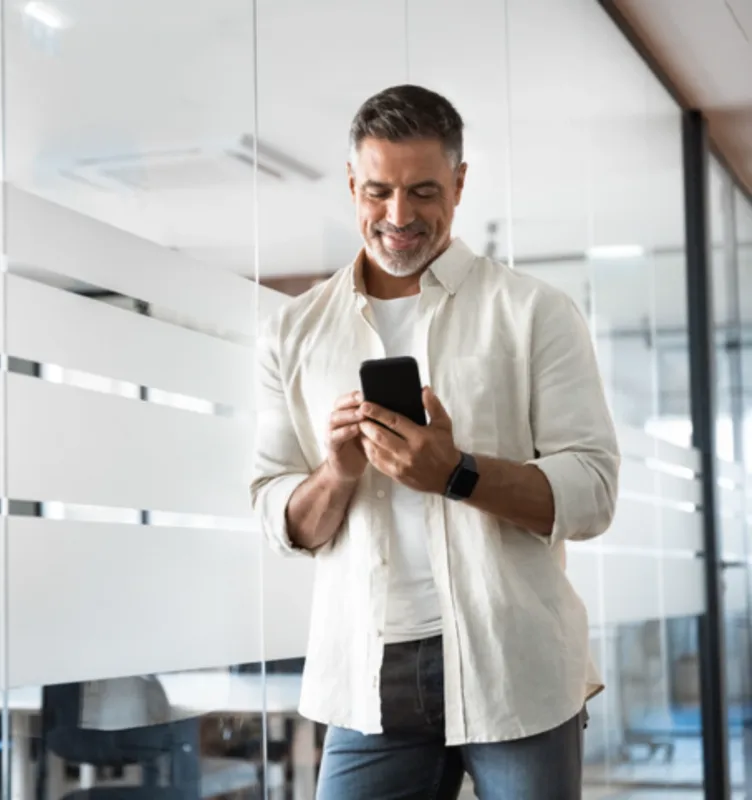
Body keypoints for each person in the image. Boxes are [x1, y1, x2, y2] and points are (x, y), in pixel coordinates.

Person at [250, 84, 620, 800]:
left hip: (514, 661)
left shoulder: (535, 313)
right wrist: (336, 473)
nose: (398, 216)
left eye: (423, 190)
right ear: (352, 185)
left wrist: (457, 474)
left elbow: (594, 491)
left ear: (459, 182)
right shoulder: (291, 333)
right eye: (378, 191)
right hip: (364, 674)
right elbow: (277, 515)